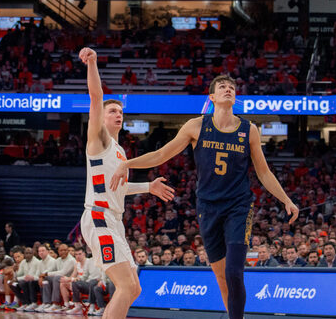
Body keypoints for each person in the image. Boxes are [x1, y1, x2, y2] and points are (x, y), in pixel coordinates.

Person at [111, 74, 299, 319]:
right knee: (221, 276)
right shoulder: (196, 126)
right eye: (222, 87)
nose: (228, 89)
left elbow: (263, 171)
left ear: (235, 96)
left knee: (234, 271)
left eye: (232, 87)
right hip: (207, 207)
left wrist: (286, 199)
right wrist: (128, 164)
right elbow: (161, 155)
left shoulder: (249, 129)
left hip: (238, 206)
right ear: (212, 97)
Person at [78, 47, 175, 319]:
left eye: (121, 111)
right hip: (99, 217)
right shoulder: (99, 140)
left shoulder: (120, 150)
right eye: (112, 111)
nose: (118, 114)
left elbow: (117, 187)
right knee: (126, 285)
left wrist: (147, 187)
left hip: (114, 220)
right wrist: (93, 62)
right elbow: (95, 97)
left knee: (134, 289)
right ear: (103, 117)